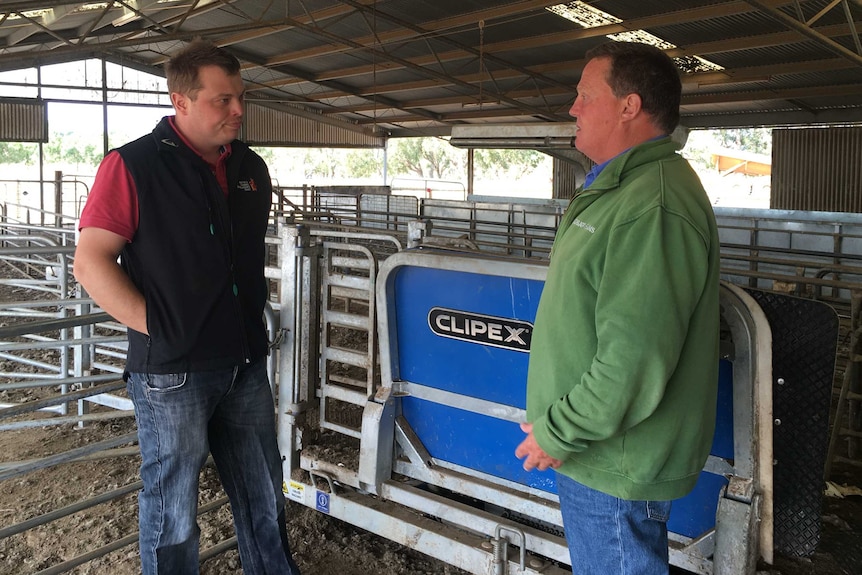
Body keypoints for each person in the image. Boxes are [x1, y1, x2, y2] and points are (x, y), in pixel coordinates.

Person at [73, 40, 302, 575]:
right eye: (222, 100)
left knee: (263, 489)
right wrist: (160, 328)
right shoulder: (133, 165)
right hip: (173, 372)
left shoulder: (249, 167)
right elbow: (91, 262)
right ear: (181, 101)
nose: (238, 110)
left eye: (240, 98)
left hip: (244, 360)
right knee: (174, 506)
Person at [515, 41, 720, 574]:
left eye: (585, 95)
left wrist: (559, 430)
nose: (572, 108)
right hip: (598, 452)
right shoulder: (621, 189)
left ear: (629, 106)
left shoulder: (652, 204)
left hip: (613, 458)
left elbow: (633, 356)